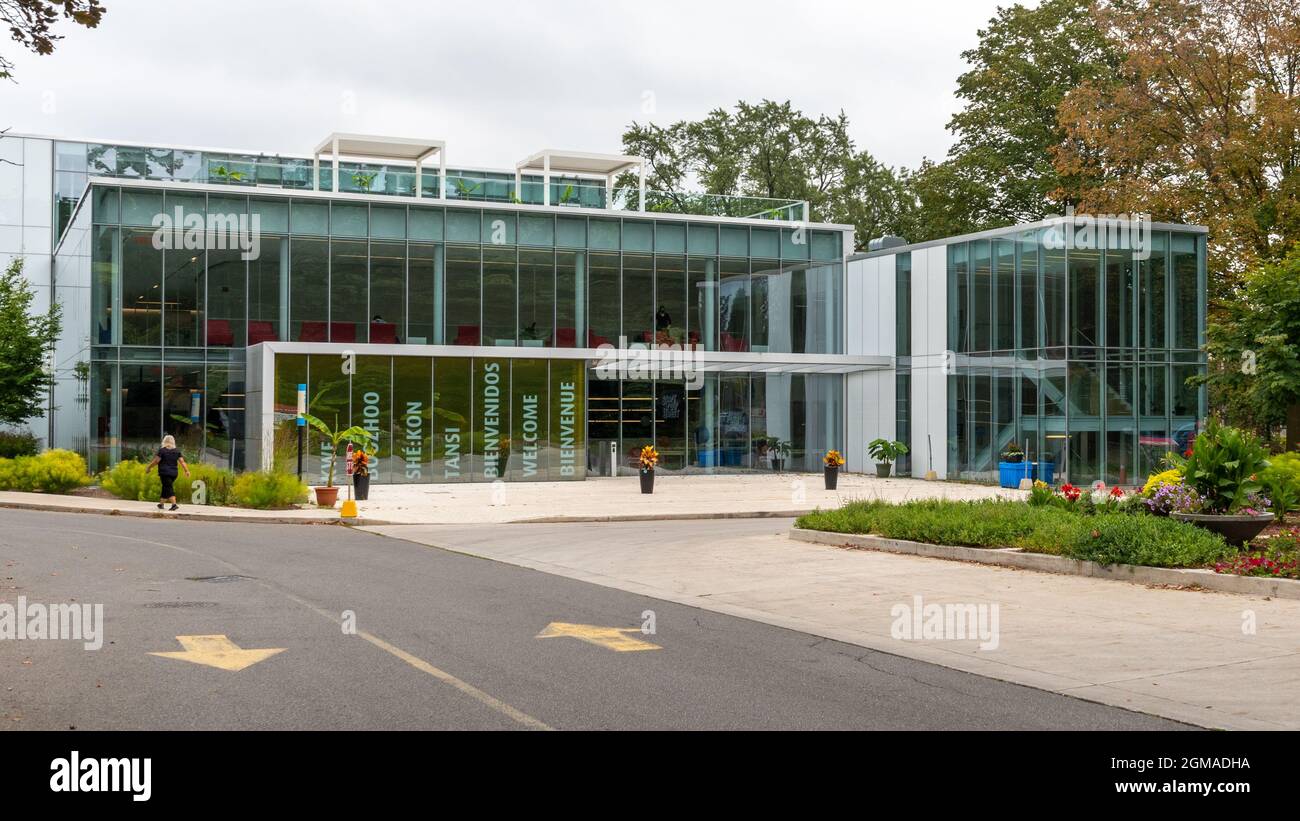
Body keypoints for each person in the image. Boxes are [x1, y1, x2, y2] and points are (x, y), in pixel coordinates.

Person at [145, 435, 191, 512]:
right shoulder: (177, 451)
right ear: (173, 442)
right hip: (174, 473)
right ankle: (161, 504)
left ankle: (174, 505)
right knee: (166, 487)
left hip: (164, 473)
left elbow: (156, 461)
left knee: (168, 487)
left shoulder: (162, 450)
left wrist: (149, 467)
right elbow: (182, 462)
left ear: (164, 441)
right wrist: (186, 471)